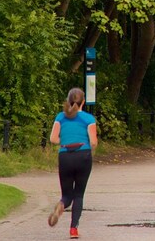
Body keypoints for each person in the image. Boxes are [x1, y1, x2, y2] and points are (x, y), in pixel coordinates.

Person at [48, 87, 97, 239]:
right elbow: (93, 142)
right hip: (83, 156)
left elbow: (53, 139)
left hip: (65, 156)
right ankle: (73, 230)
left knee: (67, 195)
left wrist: (66, 141)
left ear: (68, 100)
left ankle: (62, 204)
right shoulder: (88, 119)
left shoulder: (60, 117)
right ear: (83, 102)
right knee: (79, 195)